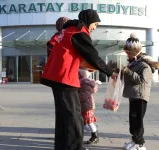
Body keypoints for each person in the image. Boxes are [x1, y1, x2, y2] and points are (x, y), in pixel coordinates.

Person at [41, 9, 117, 150]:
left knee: (64, 115)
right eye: (95, 24)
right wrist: (110, 72)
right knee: (74, 116)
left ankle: (63, 147)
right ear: (89, 21)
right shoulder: (78, 33)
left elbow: (70, 54)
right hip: (64, 78)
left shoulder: (68, 31)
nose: (95, 27)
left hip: (57, 77)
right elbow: (92, 55)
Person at [121, 33, 159, 150]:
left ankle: (139, 144)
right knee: (133, 120)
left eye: (128, 53)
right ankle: (134, 140)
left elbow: (140, 80)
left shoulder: (143, 65)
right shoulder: (134, 63)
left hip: (140, 96)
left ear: (134, 52)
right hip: (134, 95)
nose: (127, 55)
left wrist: (127, 71)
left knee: (137, 120)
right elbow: (130, 77)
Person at [78, 69, 101, 144]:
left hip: (87, 107)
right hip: (85, 106)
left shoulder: (85, 84)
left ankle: (95, 136)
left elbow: (83, 95)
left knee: (89, 122)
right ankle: (94, 132)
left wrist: (75, 96)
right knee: (85, 123)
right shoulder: (83, 83)